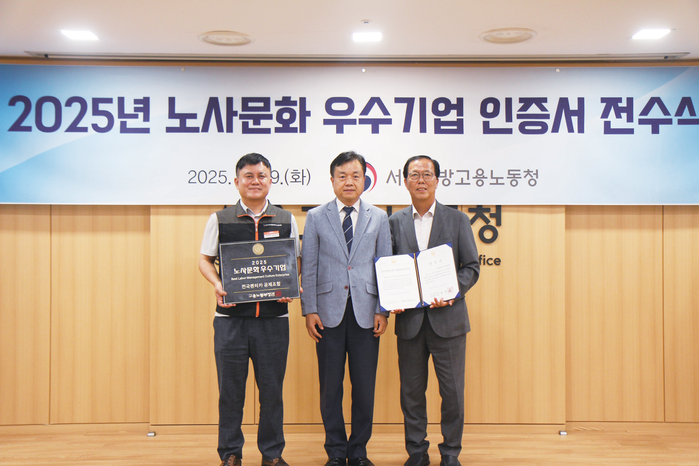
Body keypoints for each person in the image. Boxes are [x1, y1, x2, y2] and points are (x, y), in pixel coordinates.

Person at [199, 153, 300, 466]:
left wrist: (289, 285)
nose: (255, 181)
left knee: (272, 392)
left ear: (270, 180)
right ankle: (230, 453)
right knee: (230, 392)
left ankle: (272, 454)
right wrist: (218, 284)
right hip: (230, 321)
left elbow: (294, 261)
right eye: (249, 176)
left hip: (273, 320)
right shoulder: (220, 219)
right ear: (237, 181)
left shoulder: (286, 219)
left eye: (261, 176)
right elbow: (204, 260)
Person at [300, 151, 392, 466]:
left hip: (367, 313)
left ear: (365, 179)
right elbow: (309, 266)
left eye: (355, 175)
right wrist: (309, 309)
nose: (349, 181)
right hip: (327, 313)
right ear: (332, 180)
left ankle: (359, 451)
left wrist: (383, 309)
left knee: (364, 388)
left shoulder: (379, 217)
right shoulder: (316, 216)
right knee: (330, 388)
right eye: (342, 176)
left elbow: (385, 266)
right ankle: (336, 452)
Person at [388, 155, 480, 466]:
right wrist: (392, 295)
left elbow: (471, 267)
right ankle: (416, 452)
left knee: (452, 393)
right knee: (411, 393)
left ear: (437, 180)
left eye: (427, 174)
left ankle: (451, 452)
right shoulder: (394, 222)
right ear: (405, 181)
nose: (421, 180)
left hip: (449, 321)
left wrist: (452, 291)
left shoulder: (457, 220)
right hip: (410, 322)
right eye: (415, 175)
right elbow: (388, 268)